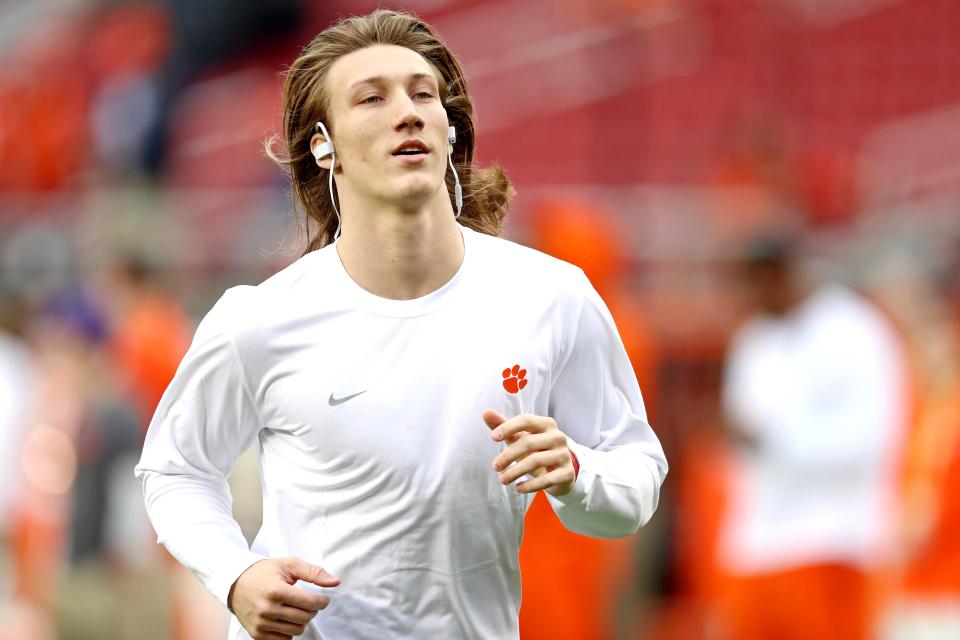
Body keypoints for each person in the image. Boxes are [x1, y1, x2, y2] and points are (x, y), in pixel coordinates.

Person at [134, 10, 667, 640]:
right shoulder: (260, 319)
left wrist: (579, 475)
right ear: (322, 144)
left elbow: (634, 477)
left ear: (448, 130)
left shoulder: (550, 296)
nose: (408, 112)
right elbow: (174, 470)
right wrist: (234, 575)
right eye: (371, 98)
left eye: (423, 93)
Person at [716, 236, 908, 640]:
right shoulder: (755, 340)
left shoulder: (856, 332)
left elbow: (871, 439)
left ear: (779, 274)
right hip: (756, 546)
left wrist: (778, 441)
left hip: (832, 542)